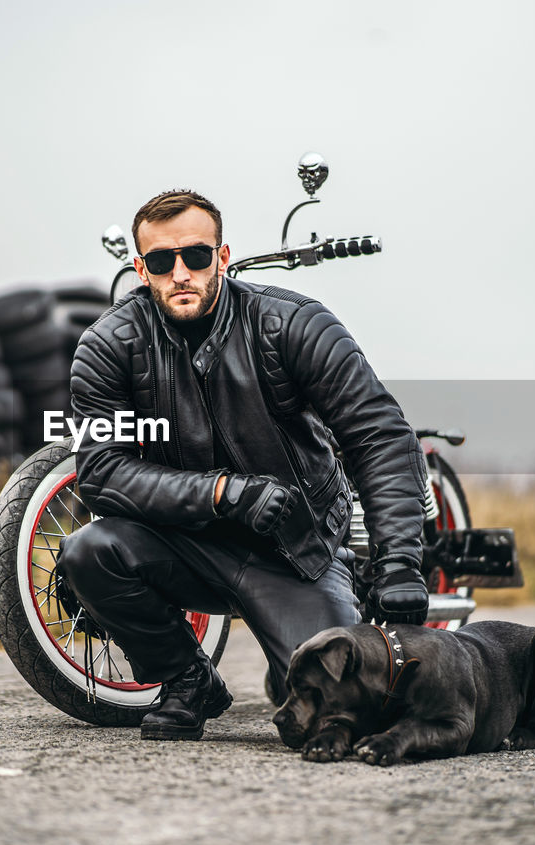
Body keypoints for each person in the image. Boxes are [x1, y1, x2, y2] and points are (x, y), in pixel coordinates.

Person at [57, 189, 435, 741]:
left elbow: (378, 436)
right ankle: (187, 679)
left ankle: (301, 642)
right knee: (90, 551)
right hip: (182, 545)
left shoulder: (294, 324)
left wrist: (399, 561)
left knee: (329, 718)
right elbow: (100, 473)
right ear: (141, 268)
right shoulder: (107, 347)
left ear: (223, 256)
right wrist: (223, 493)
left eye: (196, 256)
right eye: (161, 261)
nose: (180, 272)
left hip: (295, 552)